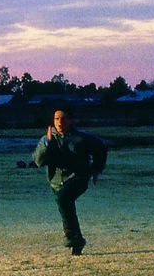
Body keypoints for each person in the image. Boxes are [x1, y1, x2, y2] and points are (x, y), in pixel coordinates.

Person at [32, 106, 107, 256]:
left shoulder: (82, 138)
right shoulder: (47, 138)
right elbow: (38, 161)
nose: (59, 122)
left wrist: (96, 169)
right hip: (56, 181)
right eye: (56, 119)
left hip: (79, 177)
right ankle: (76, 240)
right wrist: (47, 142)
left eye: (63, 118)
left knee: (64, 198)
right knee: (66, 207)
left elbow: (101, 148)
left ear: (71, 120)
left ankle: (71, 236)